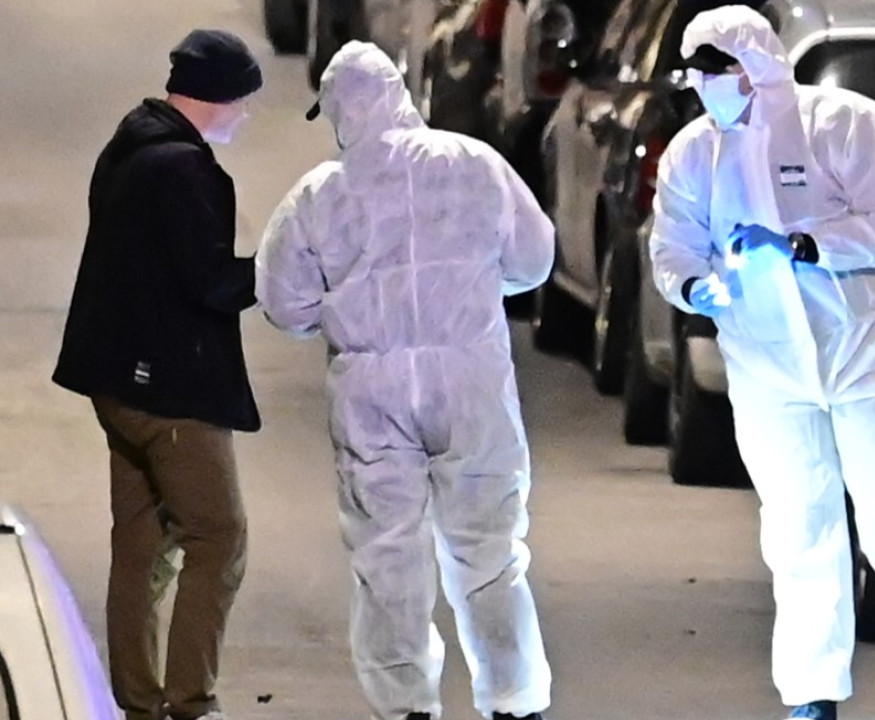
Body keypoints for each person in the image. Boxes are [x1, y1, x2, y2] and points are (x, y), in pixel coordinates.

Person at [648, 7, 875, 720]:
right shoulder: (693, 154)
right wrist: (693, 286)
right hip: (766, 365)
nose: (706, 88)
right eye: (697, 75)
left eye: (717, 72)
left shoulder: (845, 124)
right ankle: (811, 696)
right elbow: (673, 246)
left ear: (754, 67)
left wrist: (801, 245)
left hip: (863, 351)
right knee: (799, 530)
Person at [255, 41, 554, 720]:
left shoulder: (320, 195)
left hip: (374, 391)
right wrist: (471, 290)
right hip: (470, 381)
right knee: (490, 549)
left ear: (341, 110)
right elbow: (533, 259)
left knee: (386, 555)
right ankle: (514, 701)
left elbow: (282, 302)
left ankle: (406, 706)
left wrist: (345, 313)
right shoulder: (475, 164)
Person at [52, 29, 263, 720]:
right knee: (218, 536)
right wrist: (277, 270)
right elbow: (210, 281)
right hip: (168, 390)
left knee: (141, 545)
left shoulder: (130, 144)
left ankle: (138, 703)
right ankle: (191, 702)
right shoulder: (183, 169)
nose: (246, 115)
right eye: (242, 100)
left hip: (116, 381)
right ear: (217, 96)